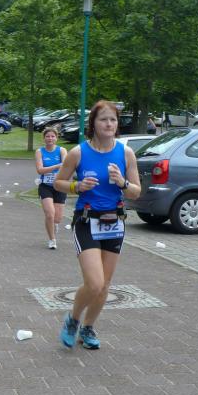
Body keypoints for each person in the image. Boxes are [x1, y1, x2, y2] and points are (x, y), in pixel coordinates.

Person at [53, 100, 141, 350]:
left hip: (114, 221)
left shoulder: (126, 153)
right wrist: (77, 186)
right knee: (94, 282)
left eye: (113, 119)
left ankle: (88, 328)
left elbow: (136, 192)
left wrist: (122, 182)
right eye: (103, 119)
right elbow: (59, 182)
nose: (109, 124)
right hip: (87, 220)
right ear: (93, 123)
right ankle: (73, 319)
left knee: (105, 285)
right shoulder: (78, 153)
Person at [35, 127, 67, 249]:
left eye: (52, 136)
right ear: (44, 138)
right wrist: (56, 166)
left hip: (59, 186)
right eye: (47, 136)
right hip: (45, 186)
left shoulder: (62, 150)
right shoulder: (40, 152)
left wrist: (58, 168)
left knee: (57, 218)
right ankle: (52, 240)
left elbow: (66, 167)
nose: (50, 138)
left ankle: (55, 224)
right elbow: (40, 170)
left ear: (56, 138)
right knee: (49, 214)